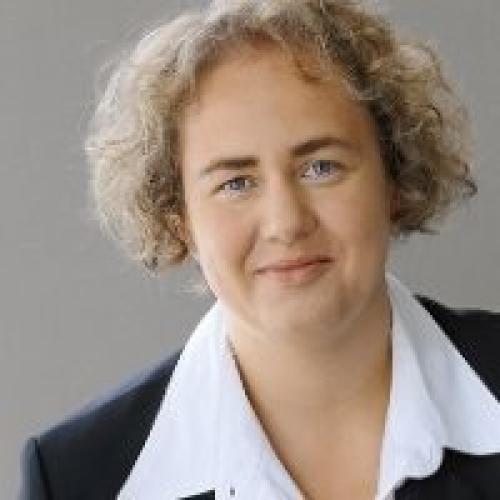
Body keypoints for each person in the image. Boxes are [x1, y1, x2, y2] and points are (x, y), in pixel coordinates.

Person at [20, 0, 500, 499]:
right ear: (178, 220)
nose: (286, 223)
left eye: (321, 167)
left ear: (394, 178)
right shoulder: (78, 480)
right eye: (236, 183)